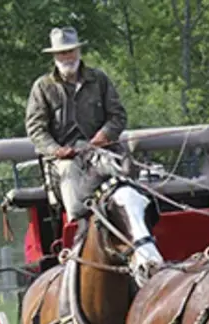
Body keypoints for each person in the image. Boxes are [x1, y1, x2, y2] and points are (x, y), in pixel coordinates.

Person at [25, 26, 128, 228]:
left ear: (78, 52)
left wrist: (104, 135)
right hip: (64, 158)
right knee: (70, 173)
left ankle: (130, 229)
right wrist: (56, 150)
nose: (67, 56)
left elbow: (118, 115)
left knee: (120, 172)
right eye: (62, 53)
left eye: (70, 51)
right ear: (54, 56)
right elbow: (36, 128)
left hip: (101, 150)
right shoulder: (43, 87)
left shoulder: (99, 80)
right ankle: (79, 228)